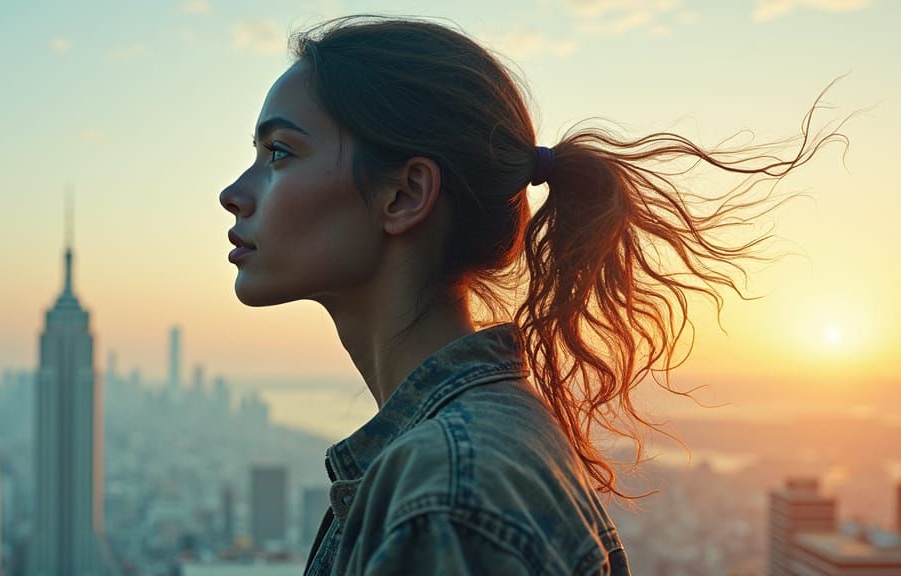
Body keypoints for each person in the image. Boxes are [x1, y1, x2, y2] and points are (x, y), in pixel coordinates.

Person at [218, 15, 850, 575]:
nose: (234, 192)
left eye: (279, 152)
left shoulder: (446, 495)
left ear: (405, 195)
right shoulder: (474, 448)